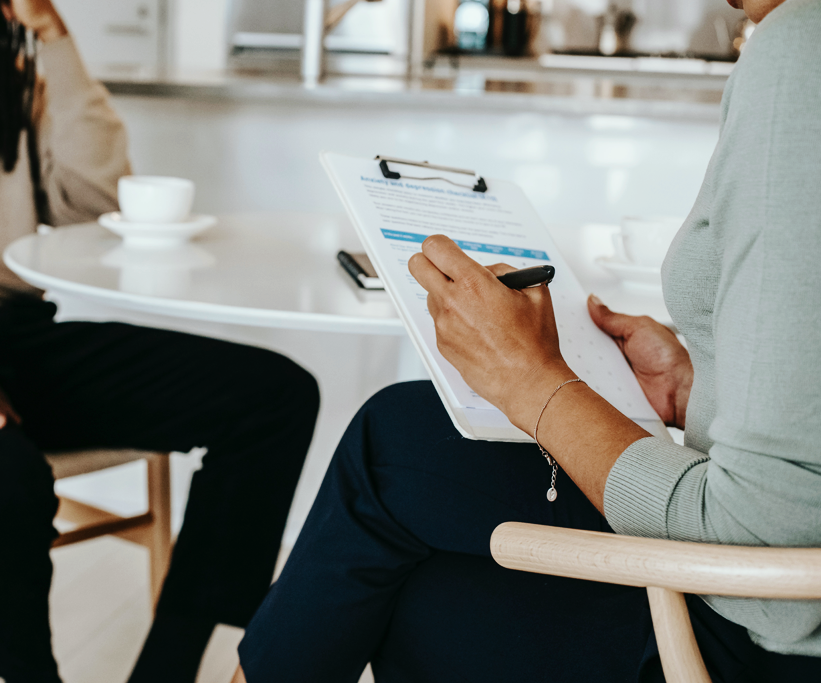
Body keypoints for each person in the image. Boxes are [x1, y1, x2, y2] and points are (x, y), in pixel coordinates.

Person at [232, 0, 821, 681]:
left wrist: (532, 382)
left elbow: (771, 562)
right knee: (409, 501)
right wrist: (697, 389)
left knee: (395, 455)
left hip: (764, 648)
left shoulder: (800, 46)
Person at [0, 1, 319, 682]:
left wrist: (57, 41)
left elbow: (91, 200)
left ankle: (167, 668)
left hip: (7, 327)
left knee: (273, 397)